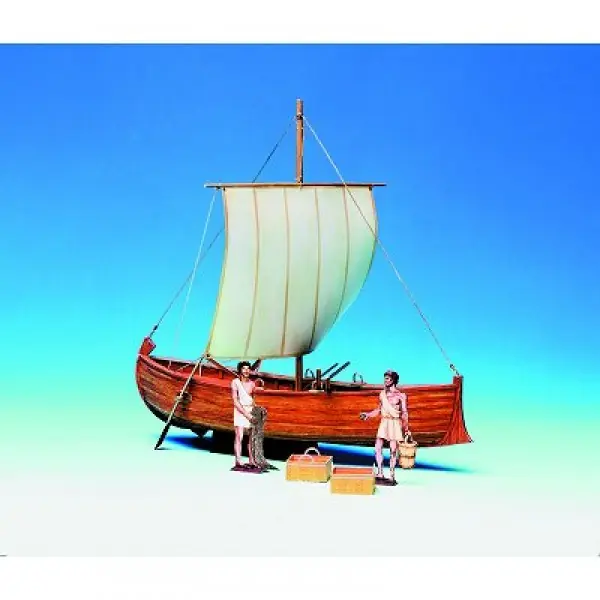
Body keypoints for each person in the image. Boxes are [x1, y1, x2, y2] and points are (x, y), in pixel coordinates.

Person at [359, 370, 410, 482]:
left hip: (394, 423)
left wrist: (406, 429)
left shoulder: (401, 396)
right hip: (384, 422)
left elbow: (404, 413)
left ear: (393, 380)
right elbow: (379, 409)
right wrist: (368, 415)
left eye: (387, 378)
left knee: (393, 450)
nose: (385, 381)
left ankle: (392, 475)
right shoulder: (383, 394)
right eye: (385, 378)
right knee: (377, 448)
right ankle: (380, 473)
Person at [231, 360, 263, 470]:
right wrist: (246, 414)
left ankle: (251, 460)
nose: (246, 371)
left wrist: (256, 412)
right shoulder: (235, 382)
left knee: (251, 437)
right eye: (244, 368)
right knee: (239, 436)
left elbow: (252, 400)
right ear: (240, 370)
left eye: (248, 368)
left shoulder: (252, 384)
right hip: (240, 410)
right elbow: (235, 401)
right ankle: (238, 461)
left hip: (250, 410)